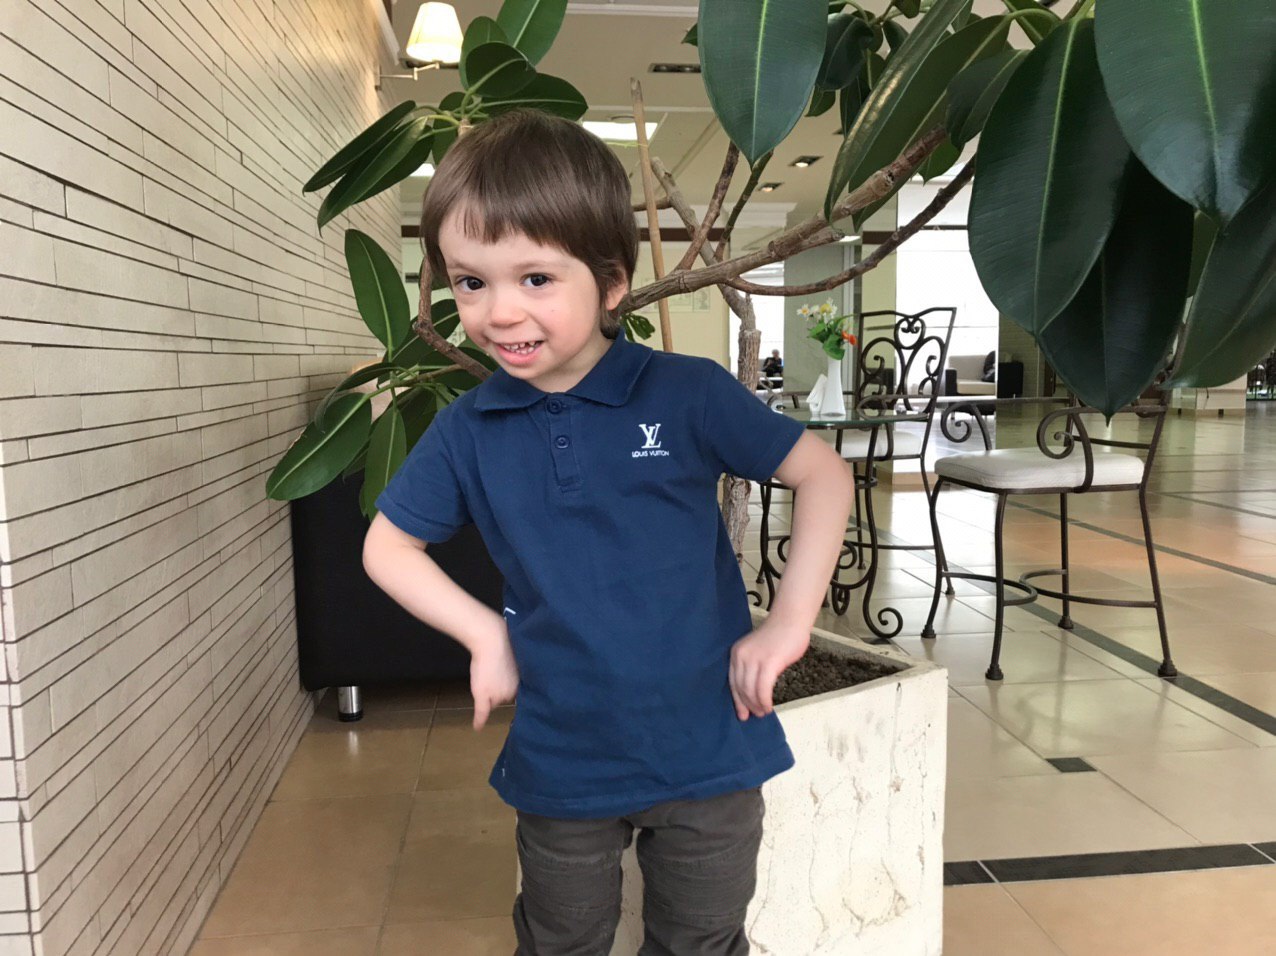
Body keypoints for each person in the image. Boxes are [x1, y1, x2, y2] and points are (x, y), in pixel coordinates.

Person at [361, 108, 855, 955]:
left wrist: (788, 625)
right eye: (471, 282)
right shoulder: (468, 429)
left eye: (535, 279)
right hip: (565, 761)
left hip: (709, 752)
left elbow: (824, 475)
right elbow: (387, 546)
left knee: (701, 943)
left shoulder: (688, 393)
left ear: (612, 283)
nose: (498, 312)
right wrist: (485, 634)